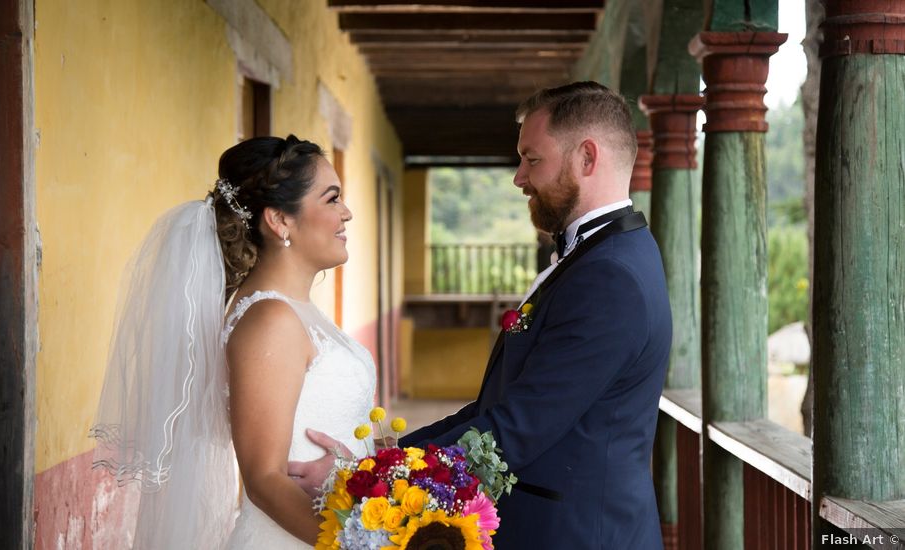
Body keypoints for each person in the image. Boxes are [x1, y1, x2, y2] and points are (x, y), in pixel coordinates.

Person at [292, 81, 672, 549]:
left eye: (532, 159)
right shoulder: (606, 257)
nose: (518, 177)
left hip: (578, 534)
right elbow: (497, 408)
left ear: (587, 158)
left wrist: (367, 474)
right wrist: (382, 454)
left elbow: (517, 427)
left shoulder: (609, 276)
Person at [90, 135, 373, 549]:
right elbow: (263, 479)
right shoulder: (270, 321)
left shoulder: (294, 311)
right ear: (280, 221)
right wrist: (352, 544)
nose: (346, 213)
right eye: (332, 200)